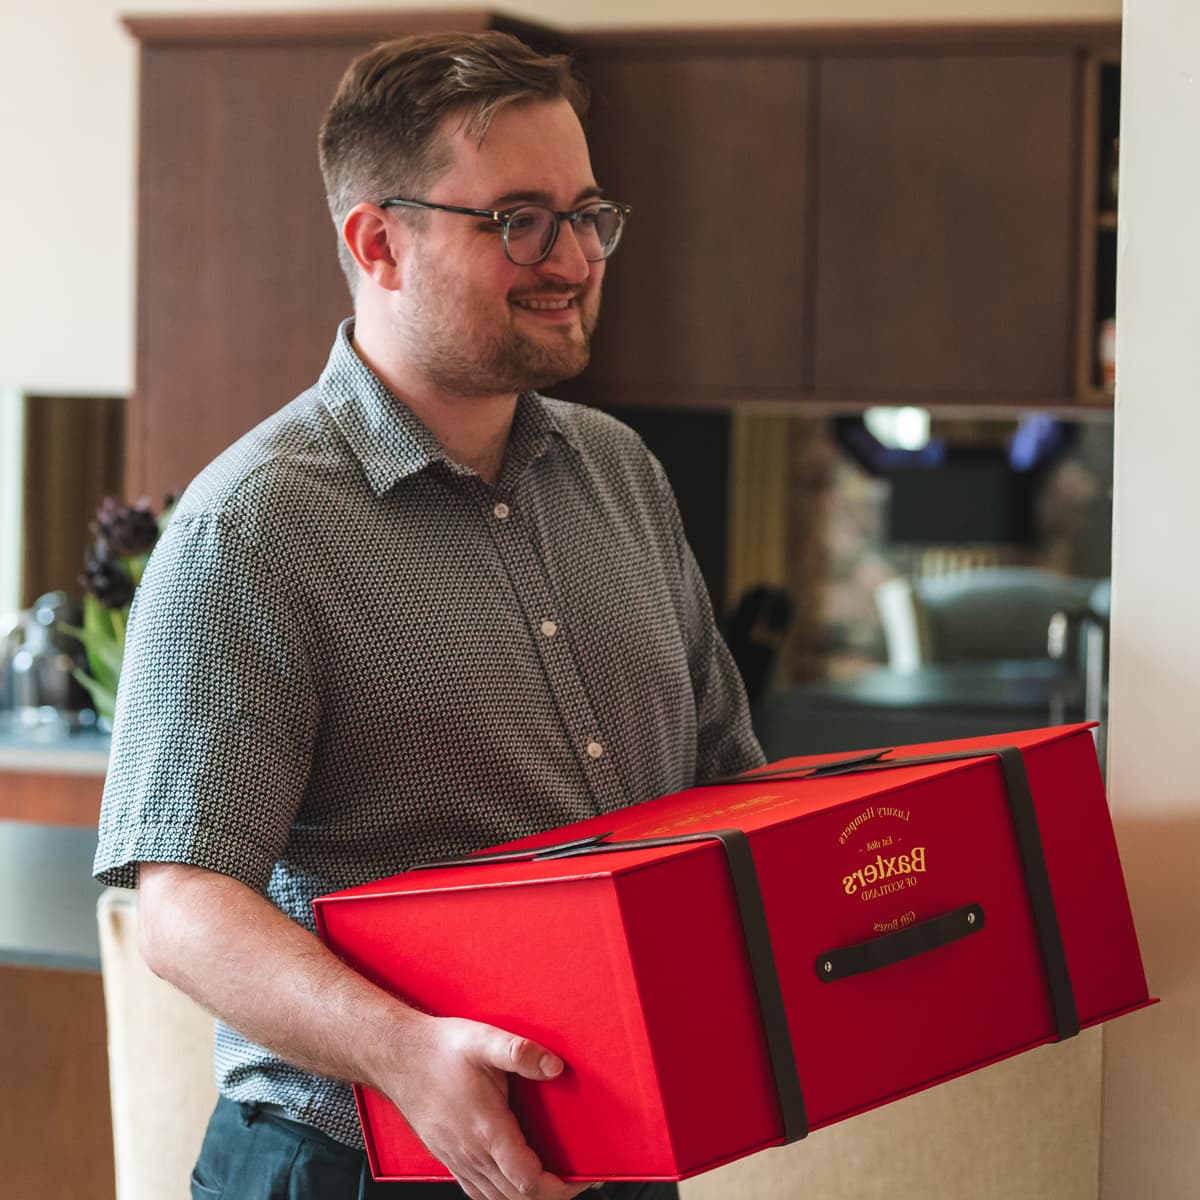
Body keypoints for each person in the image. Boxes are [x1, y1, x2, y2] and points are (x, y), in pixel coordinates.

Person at [94, 30, 763, 1200]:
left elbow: (723, 784)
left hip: (609, 1153)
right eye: (518, 219)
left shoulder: (623, 474)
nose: (573, 257)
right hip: (351, 1166)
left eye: (586, 212)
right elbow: (184, 909)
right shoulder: (252, 528)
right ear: (379, 242)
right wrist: (408, 1054)